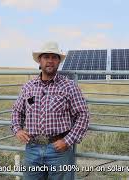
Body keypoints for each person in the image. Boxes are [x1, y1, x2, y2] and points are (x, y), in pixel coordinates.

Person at [11, 41, 90, 180]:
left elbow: (83, 115)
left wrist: (67, 141)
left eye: (54, 57)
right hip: (32, 148)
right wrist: (17, 129)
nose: (50, 61)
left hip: (59, 149)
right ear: (39, 61)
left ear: (59, 62)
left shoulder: (69, 86)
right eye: (46, 57)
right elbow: (17, 111)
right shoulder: (28, 87)